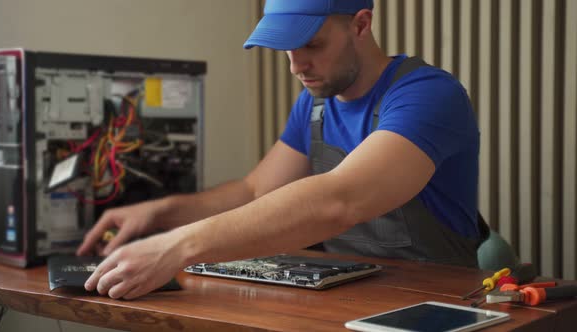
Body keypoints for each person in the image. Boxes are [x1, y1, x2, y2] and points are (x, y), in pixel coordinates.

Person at [78, 0, 481, 300]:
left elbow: (341, 199)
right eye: (286, 48)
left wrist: (176, 245)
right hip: (348, 295)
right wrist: (159, 214)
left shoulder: (427, 95)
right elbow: (255, 192)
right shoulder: (316, 101)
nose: (295, 65)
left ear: (361, 24)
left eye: (311, 44)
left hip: (432, 303)